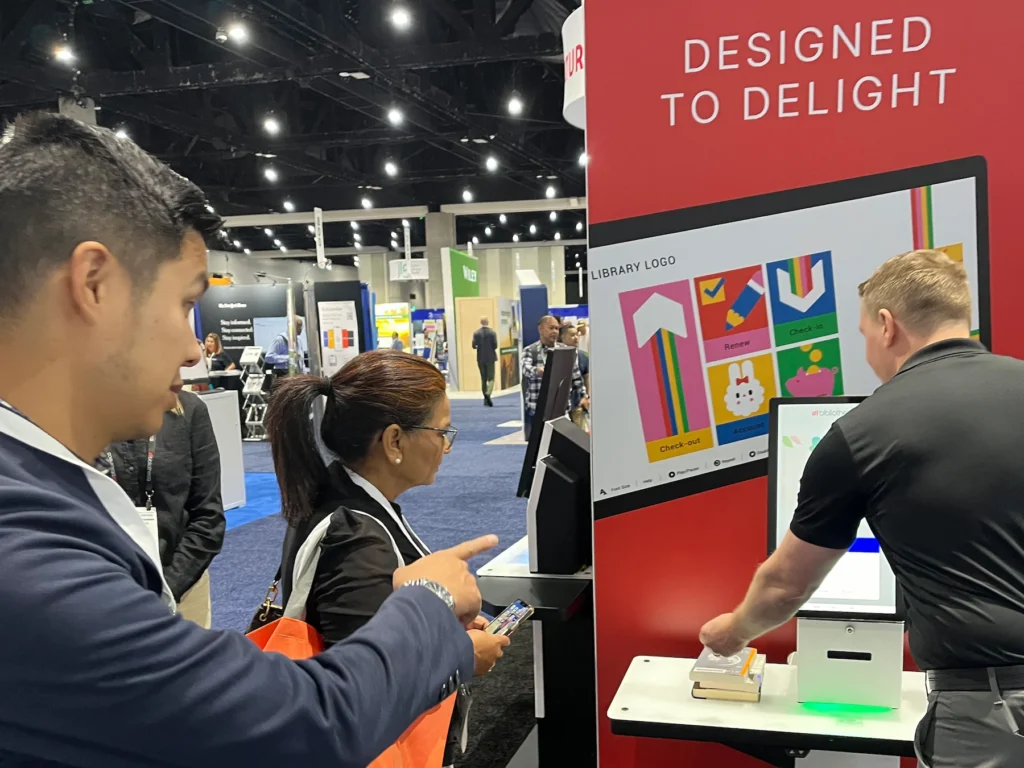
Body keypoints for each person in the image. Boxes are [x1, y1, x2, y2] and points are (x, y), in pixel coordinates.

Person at [0, 111, 497, 767]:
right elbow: (297, 726)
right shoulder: (23, 543)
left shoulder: (46, 497)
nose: (190, 347)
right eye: (183, 304)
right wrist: (431, 603)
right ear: (94, 284)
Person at [699, 250, 1024, 767]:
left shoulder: (864, 432)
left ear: (887, 325)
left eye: (863, 334)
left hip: (993, 708)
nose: (868, 351)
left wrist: (730, 633)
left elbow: (787, 585)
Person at [266, 350, 511, 765]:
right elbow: (368, 692)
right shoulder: (355, 537)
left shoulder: (345, 498)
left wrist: (443, 621)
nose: (446, 448)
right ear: (394, 440)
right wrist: (463, 656)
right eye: (442, 432)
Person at [104, 390, 225, 628]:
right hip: (102, 595)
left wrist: (167, 589)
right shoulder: (74, 412)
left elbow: (208, 516)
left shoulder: (188, 409)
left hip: (182, 586)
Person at [521, 315, 588, 440]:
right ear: (541, 329)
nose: (555, 332)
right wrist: (538, 371)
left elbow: (576, 377)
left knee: (562, 445)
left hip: (561, 409)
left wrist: (584, 396)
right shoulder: (530, 351)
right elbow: (526, 369)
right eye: (551, 328)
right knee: (539, 446)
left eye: (557, 328)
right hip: (537, 409)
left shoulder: (565, 351)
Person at [472, 316, 499, 407]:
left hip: (480, 358)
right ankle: (488, 393)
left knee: (483, 378)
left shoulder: (476, 333)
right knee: (491, 378)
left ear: (481, 322)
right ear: (488, 322)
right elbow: (495, 345)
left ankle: (485, 398)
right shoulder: (492, 333)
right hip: (490, 357)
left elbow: (473, 345)